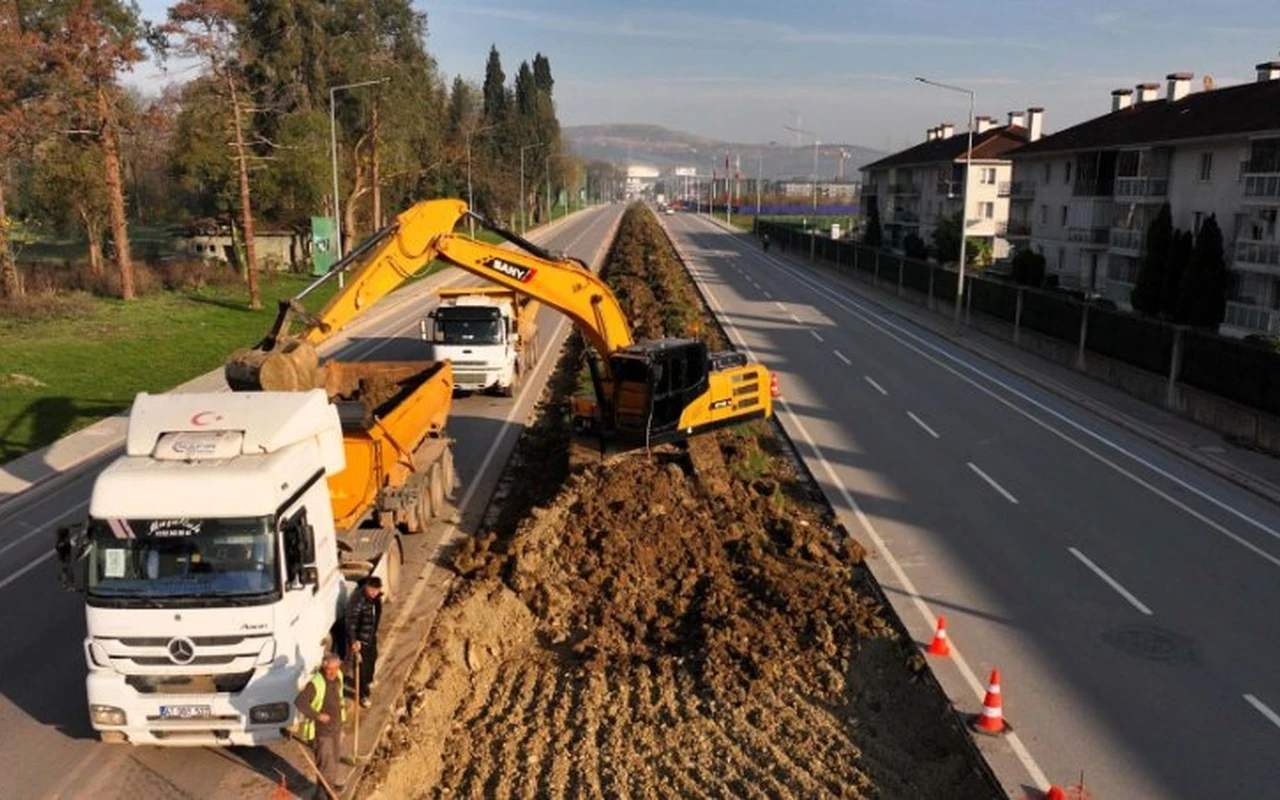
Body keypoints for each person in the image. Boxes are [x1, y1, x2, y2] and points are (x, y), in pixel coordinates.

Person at [294, 652, 345, 798]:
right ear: (324, 667)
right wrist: (317, 715)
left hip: (335, 727)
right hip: (322, 732)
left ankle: (331, 786)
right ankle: (321, 796)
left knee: (334, 760)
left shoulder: (338, 676)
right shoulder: (316, 683)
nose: (332, 672)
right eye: (329, 669)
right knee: (325, 765)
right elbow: (300, 702)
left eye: (335, 669)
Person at [345, 576, 383, 708]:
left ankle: (369, 680)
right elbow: (351, 623)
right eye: (371, 590)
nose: (374, 593)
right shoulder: (358, 601)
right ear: (366, 587)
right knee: (361, 668)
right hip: (360, 641)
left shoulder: (376, 599)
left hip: (370, 637)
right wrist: (354, 640)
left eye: (376, 590)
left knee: (373, 658)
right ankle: (363, 695)